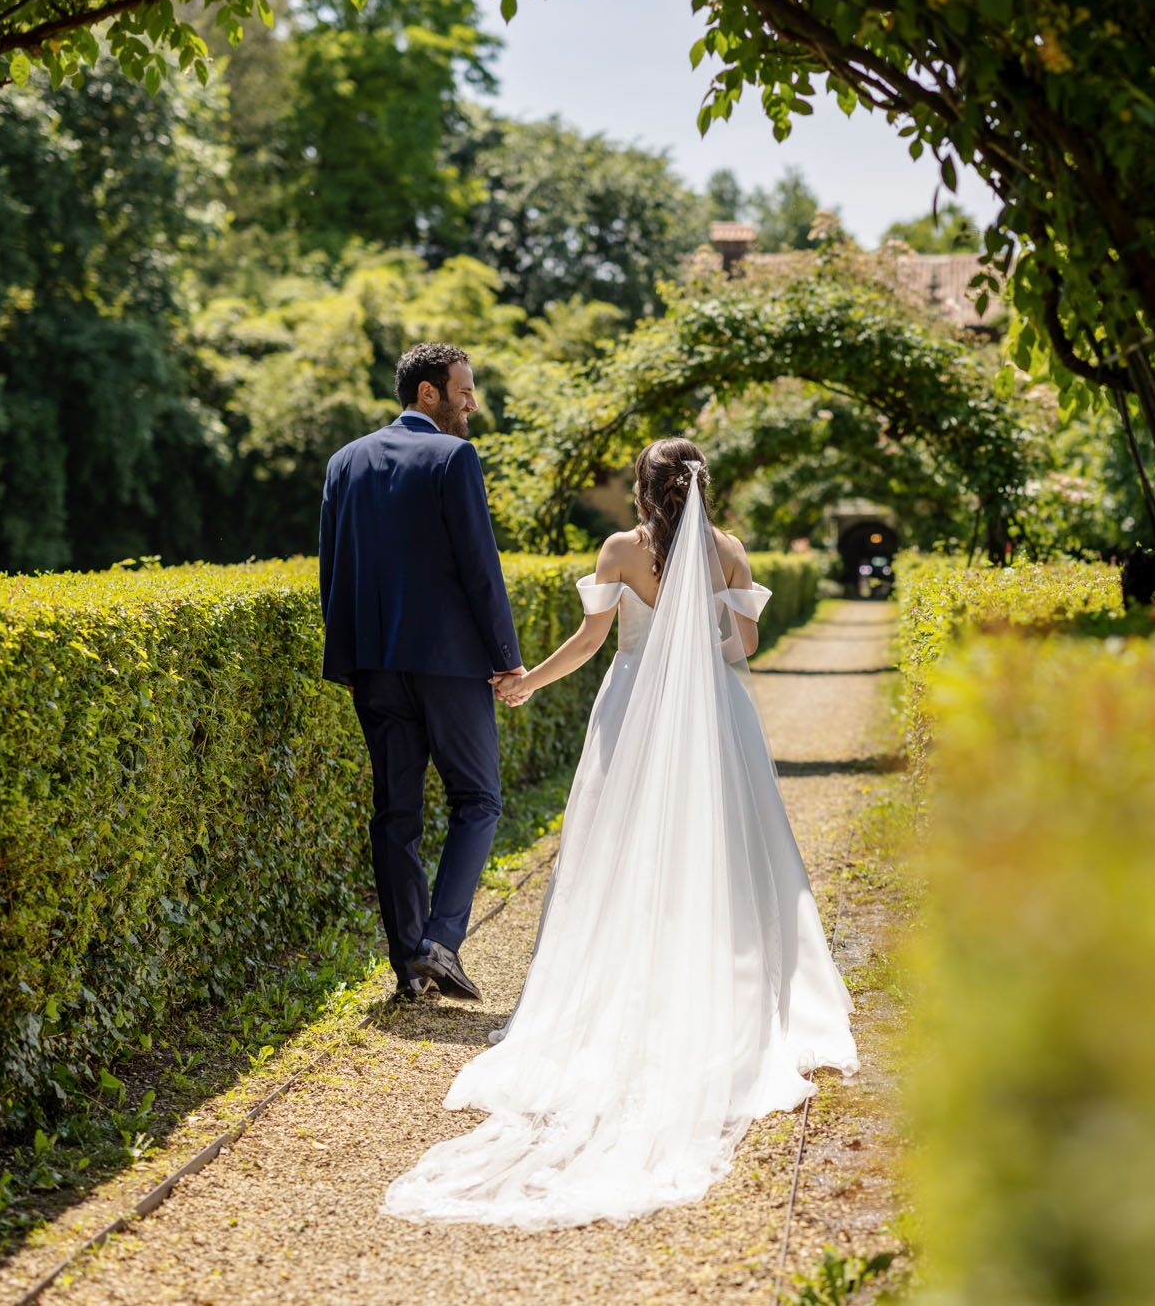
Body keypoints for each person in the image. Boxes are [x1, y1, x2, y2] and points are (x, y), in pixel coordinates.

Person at [381, 436, 859, 1231]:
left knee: (618, 858)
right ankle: (719, 985)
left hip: (631, 713)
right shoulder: (730, 551)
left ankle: (627, 979)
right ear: (704, 486)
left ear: (643, 489)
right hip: (715, 719)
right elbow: (743, 647)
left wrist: (527, 678)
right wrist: (700, 638)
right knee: (723, 855)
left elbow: (593, 642)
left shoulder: (618, 550)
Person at [318, 342, 527, 1004]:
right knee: (478, 799)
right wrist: (507, 658)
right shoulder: (454, 457)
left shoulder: (343, 462)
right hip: (450, 666)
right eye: (463, 391)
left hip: (374, 667)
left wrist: (346, 660)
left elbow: (333, 570)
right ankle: (441, 939)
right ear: (428, 393)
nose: (472, 403)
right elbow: (479, 566)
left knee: (396, 815)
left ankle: (410, 966)